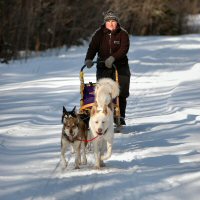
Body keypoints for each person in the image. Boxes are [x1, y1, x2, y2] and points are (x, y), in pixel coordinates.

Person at [84, 10, 130, 125]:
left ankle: (120, 115)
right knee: (102, 91)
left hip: (120, 67)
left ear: (117, 22)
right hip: (103, 67)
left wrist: (113, 58)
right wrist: (89, 59)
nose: (111, 23)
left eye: (113, 21)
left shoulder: (123, 34)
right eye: (108, 21)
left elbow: (124, 49)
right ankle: (103, 115)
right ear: (105, 22)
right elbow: (92, 47)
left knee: (121, 91)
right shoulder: (99, 34)